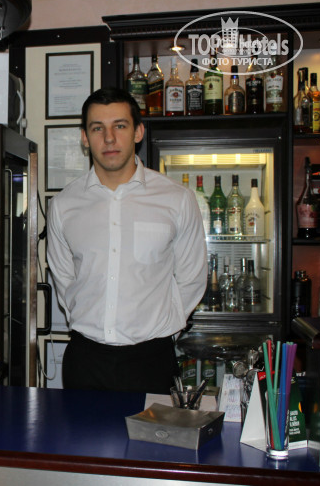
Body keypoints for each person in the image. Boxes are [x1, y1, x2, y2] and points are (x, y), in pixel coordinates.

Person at [46, 87, 207, 394]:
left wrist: (162, 329)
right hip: (85, 360)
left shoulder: (177, 199)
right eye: (98, 128)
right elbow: (64, 279)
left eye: (119, 126)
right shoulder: (64, 205)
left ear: (138, 132)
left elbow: (192, 278)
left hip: (152, 361)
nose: (109, 138)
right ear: (84, 137)